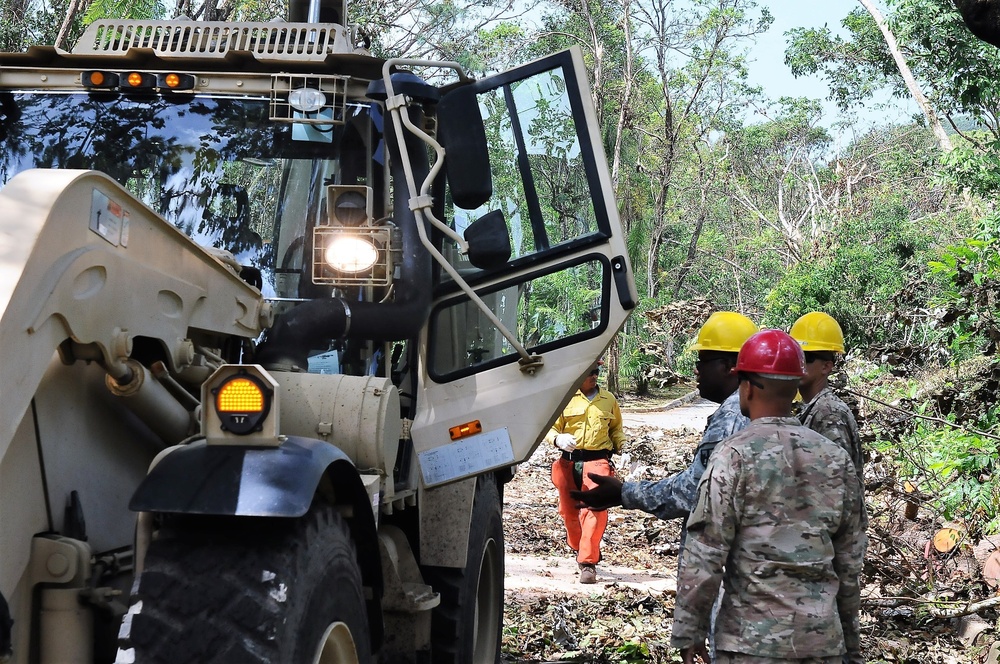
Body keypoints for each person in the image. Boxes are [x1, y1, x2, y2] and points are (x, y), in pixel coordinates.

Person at [671, 329, 867, 664]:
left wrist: (689, 632)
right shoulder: (835, 458)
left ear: (747, 386)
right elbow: (849, 564)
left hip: (750, 645)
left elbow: (705, 554)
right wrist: (850, 645)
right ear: (793, 386)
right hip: (822, 643)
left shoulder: (732, 456)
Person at [570, 312, 759, 553]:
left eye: (702, 361)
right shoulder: (746, 410)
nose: (696, 370)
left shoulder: (732, 417)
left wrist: (624, 493)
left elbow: (697, 491)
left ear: (729, 366)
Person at [545, 359, 626, 584]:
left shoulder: (608, 400)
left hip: (597, 461)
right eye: (589, 372)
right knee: (569, 512)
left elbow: (616, 429)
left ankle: (588, 562)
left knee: (595, 511)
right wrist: (557, 439)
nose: (594, 376)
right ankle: (580, 547)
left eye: (596, 372)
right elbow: (549, 428)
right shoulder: (565, 398)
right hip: (567, 463)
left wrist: (623, 446)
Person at [789, 311, 864, 484]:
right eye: (795, 355)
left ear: (826, 366)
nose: (797, 363)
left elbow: (837, 486)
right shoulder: (812, 409)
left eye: (806, 357)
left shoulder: (829, 414)